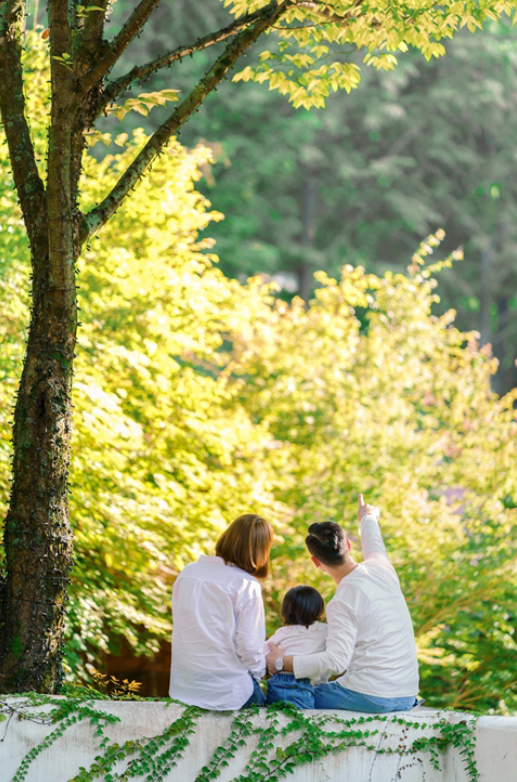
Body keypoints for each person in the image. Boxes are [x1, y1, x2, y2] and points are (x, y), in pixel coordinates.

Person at [266, 495, 420, 713]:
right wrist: (367, 516)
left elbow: (336, 662)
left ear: (315, 562)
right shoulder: (382, 568)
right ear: (348, 545)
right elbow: (373, 541)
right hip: (407, 695)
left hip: (370, 696)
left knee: (291, 693)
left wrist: (281, 662)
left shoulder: (341, 602)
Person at [169, 513, 273, 710]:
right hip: (229, 692)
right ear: (261, 550)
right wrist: (260, 673)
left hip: (185, 689)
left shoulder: (187, 574)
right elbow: (249, 647)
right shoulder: (246, 584)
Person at [265, 585, 327, 708]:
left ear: (285, 612)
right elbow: (328, 662)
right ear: (319, 610)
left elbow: (262, 653)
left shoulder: (283, 632)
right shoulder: (326, 631)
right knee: (303, 718)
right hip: (303, 683)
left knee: (274, 717)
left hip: (277, 682)